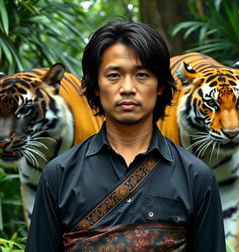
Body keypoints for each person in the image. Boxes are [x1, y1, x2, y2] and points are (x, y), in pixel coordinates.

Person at [25, 21, 226, 251]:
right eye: (114, 75)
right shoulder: (58, 176)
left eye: (141, 74)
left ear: (160, 85)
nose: (128, 87)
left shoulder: (197, 177)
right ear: (96, 86)